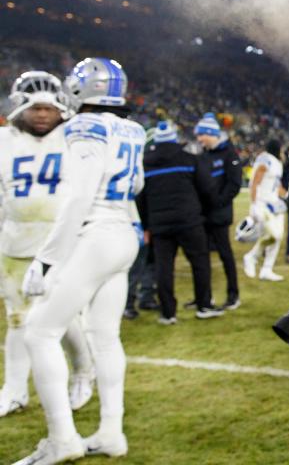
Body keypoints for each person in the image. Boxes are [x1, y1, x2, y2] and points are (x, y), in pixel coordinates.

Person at [15, 58, 146, 463]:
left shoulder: (85, 126)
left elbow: (78, 197)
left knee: (39, 331)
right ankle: (110, 432)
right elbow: (137, 183)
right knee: (105, 336)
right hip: (124, 231)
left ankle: (62, 440)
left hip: (97, 233)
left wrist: (47, 259)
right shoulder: (133, 128)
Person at [0, 72, 96, 418]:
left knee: (64, 315)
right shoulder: (3, 140)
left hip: (62, 243)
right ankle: (13, 390)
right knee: (17, 320)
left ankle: (84, 371)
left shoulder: (75, 138)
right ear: (20, 107)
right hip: (15, 243)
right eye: (36, 108)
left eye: (48, 108)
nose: (42, 114)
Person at [137, 120, 221, 323]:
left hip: (159, 224)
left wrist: (146, 226)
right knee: (200, 263)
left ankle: (168, 313)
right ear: (174, 139)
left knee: (163, 268)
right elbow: (208, 189)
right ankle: (203, 305)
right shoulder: (189, 159)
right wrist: (203, 212)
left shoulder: (145, 163)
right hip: (189, 220)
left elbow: (141, 198)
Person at [195, 112, 242, 310]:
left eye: (200, 135)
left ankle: (233, 295)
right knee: (202, 257)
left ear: (210, 134)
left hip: (220, 216)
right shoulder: (204, 154)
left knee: (225, 255)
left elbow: (234, 185)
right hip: (204, 215)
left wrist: (218, 203)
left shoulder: (229, 153)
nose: (198, 139)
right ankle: (204, 298)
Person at [242, 139, 287, 282]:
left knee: (278, 237)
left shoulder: (277, 162)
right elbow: (255, 182)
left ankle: (266, 269)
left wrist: (288, 195)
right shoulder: (265, 159)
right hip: (263, 203)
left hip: (275, 204)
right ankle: (252, 257)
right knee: (272, 234)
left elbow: (276, 185)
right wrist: (254, 204)